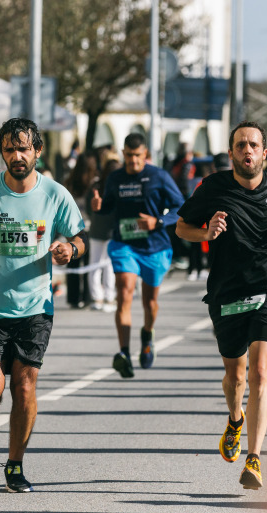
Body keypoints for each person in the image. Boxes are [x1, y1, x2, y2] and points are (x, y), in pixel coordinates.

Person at [0, 118, 86, 493]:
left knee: (25, 387)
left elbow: (80, 237)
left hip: (36, 307)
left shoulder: (55, 194)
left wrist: (70, 249)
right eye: (9, 149)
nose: (16, 156)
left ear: (37, 151)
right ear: (2, 153)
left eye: (23, 148)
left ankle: (14, 465)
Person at [176, 121, 267, 490]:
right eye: (240, 145)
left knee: (259, 374)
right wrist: (206, 232)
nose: (247, 151)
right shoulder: (213, 188)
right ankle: (235, 418)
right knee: (235, 377)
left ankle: (254, 459)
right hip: (227, 292)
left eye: (253, 145)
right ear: (232, 152)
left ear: (264, 153)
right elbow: (181, 227)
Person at [90, 133, 184, 379]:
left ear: (146, 155)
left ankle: (147, 333)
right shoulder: (115, 178)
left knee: (149, 302)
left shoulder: (159, 177)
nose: (133, 161)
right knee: (124, 291)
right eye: (129, 156)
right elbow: (109, 205)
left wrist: (159, 221)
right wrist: (100, 206)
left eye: (137, 156)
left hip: (155, 247)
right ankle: (124, 353)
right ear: (123, 154)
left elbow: (181, 207)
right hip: (125, 244)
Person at [63, 153, 97, 309]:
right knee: (89, 263)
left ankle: (73, 297)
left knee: (73, 263)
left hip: (73, 227)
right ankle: (88, 296)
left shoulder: (69, 182)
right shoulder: (94, 183)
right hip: (89, 227)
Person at [86, 158, 120, 312]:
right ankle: (109, 297)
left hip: (96, 229)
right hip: (112, 230)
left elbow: (88, 207)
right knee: (109, 265)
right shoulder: (118, 186)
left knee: (94, 265)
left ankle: (96, 297)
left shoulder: (96, 186)